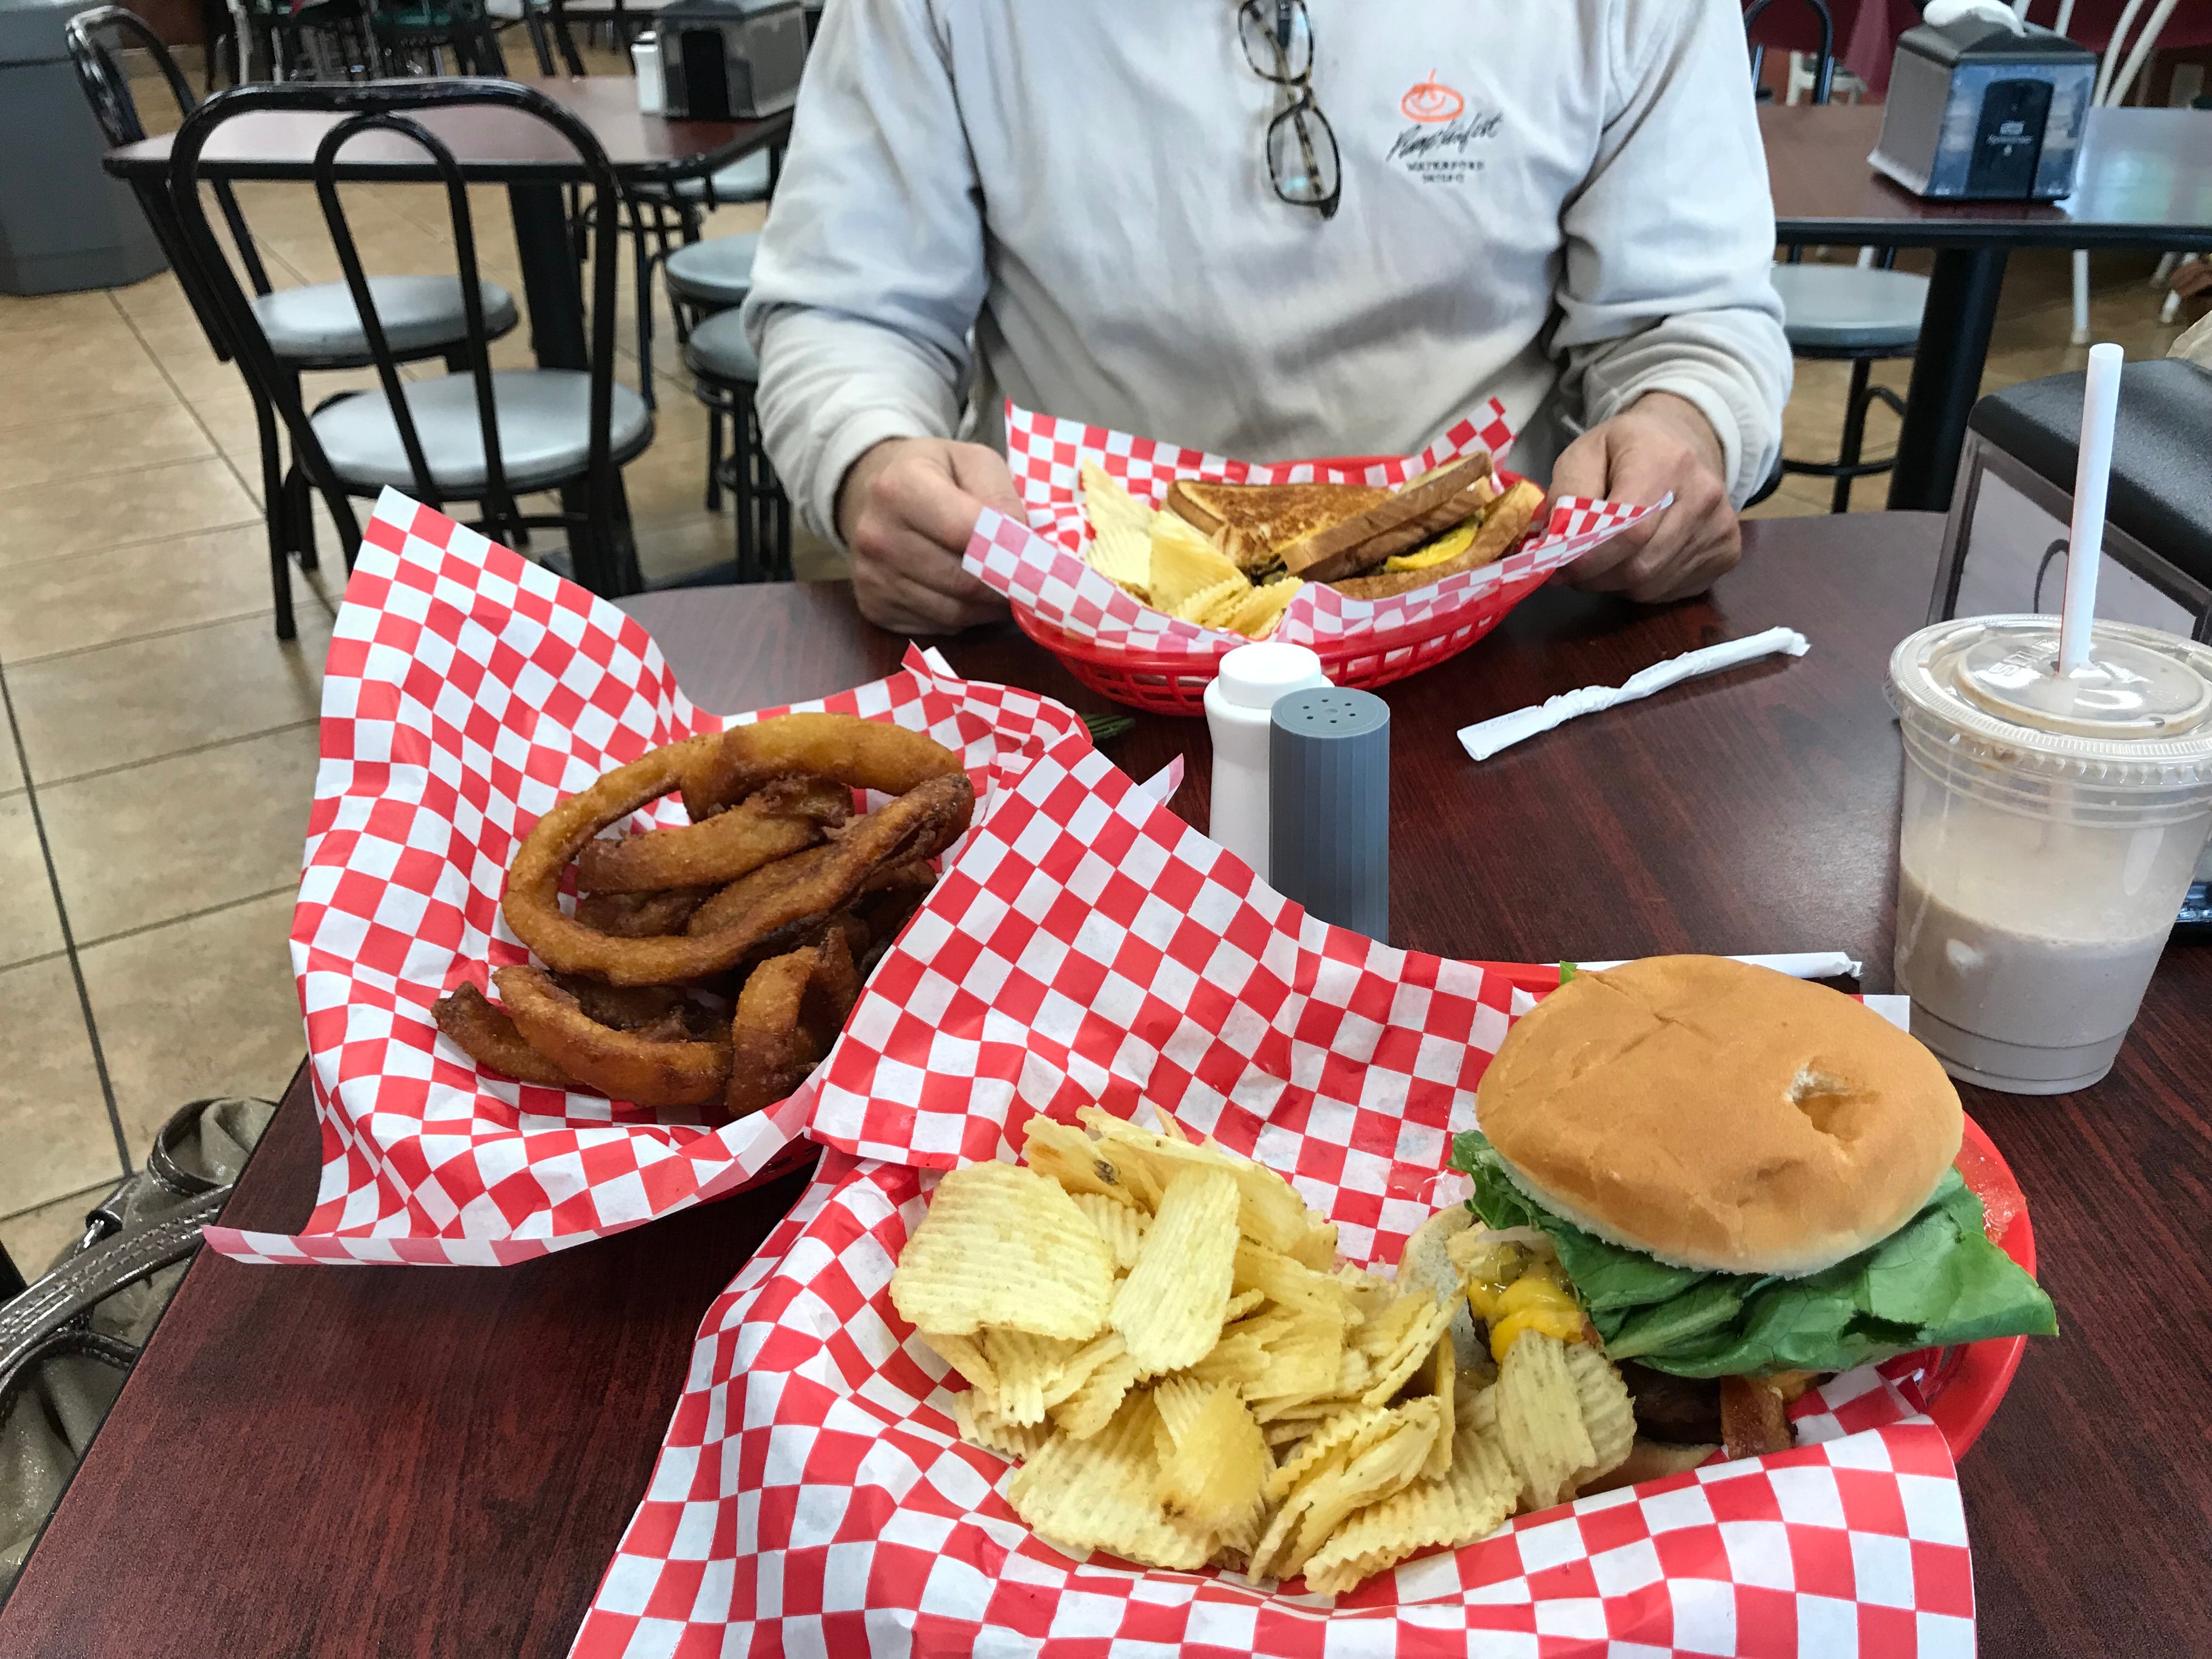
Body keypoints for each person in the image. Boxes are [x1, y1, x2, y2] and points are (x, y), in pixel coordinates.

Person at [743, 1, 1792, 634]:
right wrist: (869, 461)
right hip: (1060, 628)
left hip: (1503, 629)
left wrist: (1684, 425)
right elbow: (849, 309)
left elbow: (1689, 312)